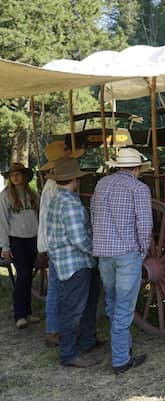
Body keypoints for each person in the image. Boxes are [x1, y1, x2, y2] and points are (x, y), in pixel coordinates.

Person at [90, 148, 152, 374]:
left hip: (104, 253)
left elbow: (94, 216)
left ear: (117, 166)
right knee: (124, 307)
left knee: (112, 302)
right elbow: (145, 226)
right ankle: (120, 360)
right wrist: (142, 252)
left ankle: (122, 348)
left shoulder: (101, 185)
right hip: (127, 254)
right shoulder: (139, 189)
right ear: (136, 169)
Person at [47, 158, 102, 368]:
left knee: (88, 302)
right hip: (75, 263)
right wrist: (96, 251)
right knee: (73, 309)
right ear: (74, 179)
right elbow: (78, 238)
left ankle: (87, 341)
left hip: (68, 261)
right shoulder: (69, 202)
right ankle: (68, 354)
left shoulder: (57, 198)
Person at [38, 140, 85, 347]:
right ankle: (55, 332)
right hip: (58, 244)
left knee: (57, 288)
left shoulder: (52, 186)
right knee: (58, 289)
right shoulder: (55, 189)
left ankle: (55, 330)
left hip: (54, 241)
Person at [0, 162, 40, 329]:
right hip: (16, 239)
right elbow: (2, 222)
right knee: (23, 274)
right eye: (12, 174)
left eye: (18, 174)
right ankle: (19, 314)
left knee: (28, 275)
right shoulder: (5, 197)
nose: (15, 177)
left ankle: (28, 312)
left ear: (24, 176)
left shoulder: (33, 195)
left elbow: (39, 217)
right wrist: (5, 247)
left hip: (33, 238)